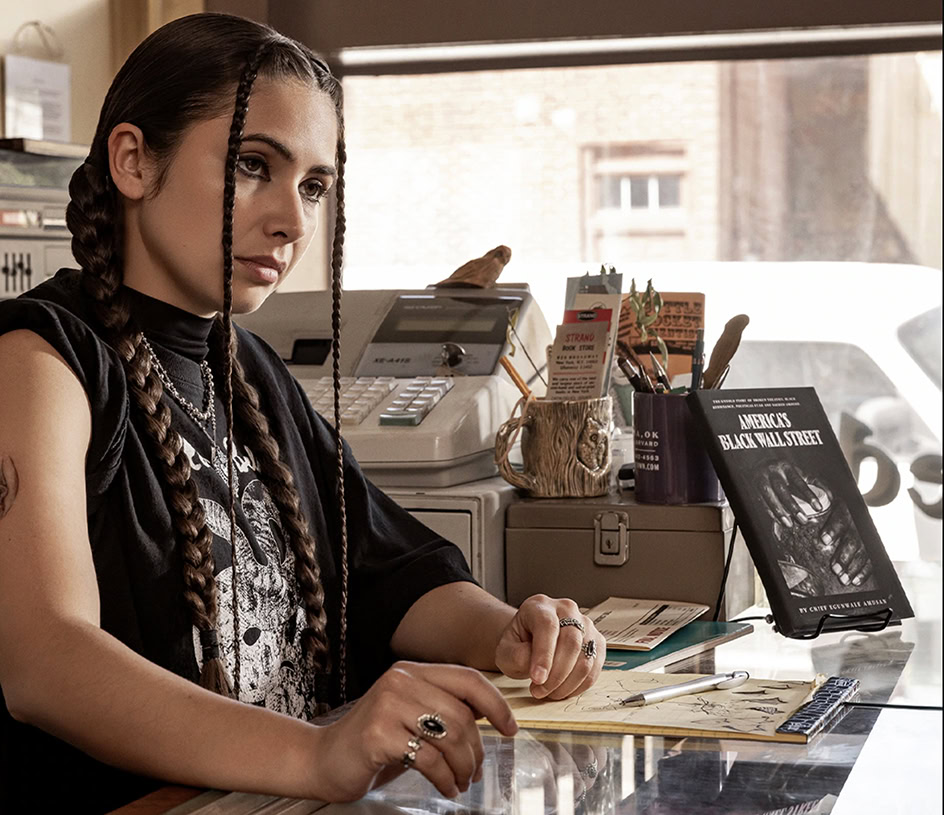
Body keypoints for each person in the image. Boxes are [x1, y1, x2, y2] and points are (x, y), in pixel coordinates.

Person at [0, 13, 604, 812]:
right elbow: (45, 661)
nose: (293, 219)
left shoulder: (248, 368)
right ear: (134, 159)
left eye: (314, 185)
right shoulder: (38, 360)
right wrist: (318, 751)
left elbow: (390, 570)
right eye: (255, 165)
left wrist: (510, 634)